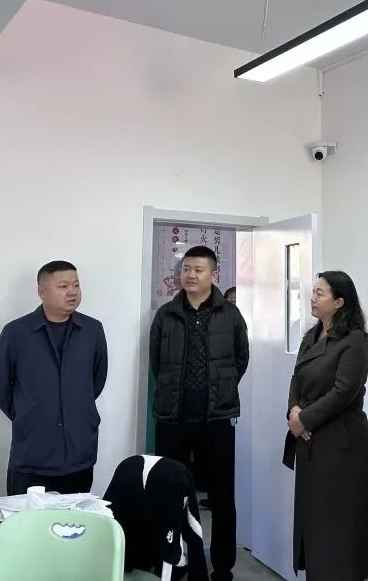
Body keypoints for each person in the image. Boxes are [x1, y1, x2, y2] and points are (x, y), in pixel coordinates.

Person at [149, 246, 249, 581]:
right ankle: (173, 563)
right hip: (172, 419)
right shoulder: (166, 314)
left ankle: (222, 568)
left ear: (213, 275)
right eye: (186, 269)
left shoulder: (230, 315)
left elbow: (240, 359)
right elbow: (157, 363)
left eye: (198, 270)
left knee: (222, 497)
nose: (190, 275)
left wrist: (220, 390)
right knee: (169, 494)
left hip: (216, 419)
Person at [284, 271, 368, 580]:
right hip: (309, 438)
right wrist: (294, 411)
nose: (312, 297)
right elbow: (296, 379)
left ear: (339, 302)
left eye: (320, 293)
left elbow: (343, 392)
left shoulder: (353, 341)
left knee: (337, 524)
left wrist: (304, 419)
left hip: (341, 443)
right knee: (314, 519)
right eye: (313, 291)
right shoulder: (310, 336)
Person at [0, 260, 108, 496]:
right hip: (32, 455)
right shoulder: (16, 332)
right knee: (26, 519)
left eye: (76, 285)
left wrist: (73, 408)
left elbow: (97, 379)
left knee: (74, 518)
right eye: (63, 286)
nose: (72, 292)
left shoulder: (92, 330)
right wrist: (27, 413)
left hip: (79, 455)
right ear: (42, 292)